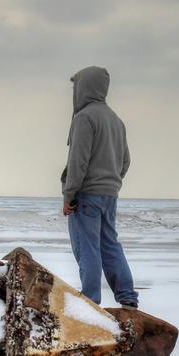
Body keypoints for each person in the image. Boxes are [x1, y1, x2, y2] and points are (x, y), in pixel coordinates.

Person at [61, 66, 139, 309]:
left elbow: (78, 161)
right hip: (109, 195)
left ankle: (90, 301)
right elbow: (125, 161)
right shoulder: (116, 120)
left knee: (88, 249)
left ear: (84, 87)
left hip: (87, 195)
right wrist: (112, 182)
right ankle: (127, 298)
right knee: (110, 246)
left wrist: (69, 194)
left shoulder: (84, 118)